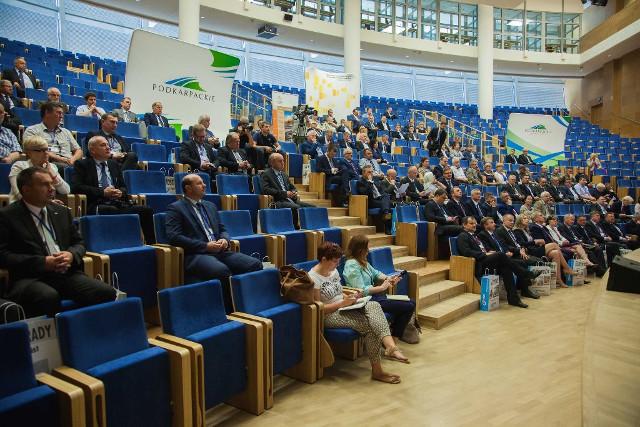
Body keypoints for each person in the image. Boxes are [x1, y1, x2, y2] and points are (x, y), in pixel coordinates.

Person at [0, 167, 116, 317]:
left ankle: (85, 330)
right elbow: (3, 255)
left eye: (51, 184)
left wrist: (71, 255)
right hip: (30, 277)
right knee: (48, 297)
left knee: (106, 292)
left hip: (64, 274)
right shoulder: (7, 216)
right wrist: (43, 262)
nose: (52, 188)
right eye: (44, 184)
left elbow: (79, 243)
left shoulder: (62, 212)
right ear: (26, 189)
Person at [166, 174, 262, 303]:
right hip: (196, 254)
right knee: (221, 271)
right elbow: (174, 237)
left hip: (219, 251)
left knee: (255, 264)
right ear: (188, 188)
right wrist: (205, 246)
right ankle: (229, 309)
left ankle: (248, 303)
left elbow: (222, 229)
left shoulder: (210, 206)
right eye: (199, 183)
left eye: (203, 182)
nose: (204, 185)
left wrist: (224, 240)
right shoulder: (176, 208)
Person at [343, 235, 416, 342]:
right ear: (360, 250)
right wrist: (381, 287)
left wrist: (389, 278)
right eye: (366, 248)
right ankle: (394, 338)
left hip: (373, 297)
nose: (368, 250)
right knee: (409, 306)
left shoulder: (362, 261)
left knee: (412, 302)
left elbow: (376, 273)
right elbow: (361, 290)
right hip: (365, 302)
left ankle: (393, 336)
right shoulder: (351, 265)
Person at [456, 216, 530, 308]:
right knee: (500, 254)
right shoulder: (463, 236)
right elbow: (466, 252)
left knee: (506, 268)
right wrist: (485, 254)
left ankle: (513, 299)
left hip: (485, 260)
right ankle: (524, 273)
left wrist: (489, 252)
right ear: (464, 225)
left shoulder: (474, 235)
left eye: (475, 223)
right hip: (478, 263)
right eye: (471, 223)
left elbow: (483, 247)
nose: (474, 225)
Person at [477, 217, 540, 299]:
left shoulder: (494, 233)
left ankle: (525, 290)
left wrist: (507, 251)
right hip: (495, 259)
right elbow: (488, 249)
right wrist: (504, 254)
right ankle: (527, 275)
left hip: (504, 257)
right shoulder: (482, 235)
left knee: (522, 262)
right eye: (491, 222)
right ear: (485, 225)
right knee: (517, 263)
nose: (494, 224)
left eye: (493, 222)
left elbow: (503, 245)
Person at [512, 214, 574, 287]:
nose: (527, 220)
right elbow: (522, 243)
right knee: (554, 245)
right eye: (524, 218)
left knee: (556, 253)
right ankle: (566, 268)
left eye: (527, 218)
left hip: (535, 249)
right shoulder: (517, 231)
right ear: (519, 220)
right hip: (531, 251)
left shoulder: (526, 230)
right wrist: (535, 241)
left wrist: (537, 242)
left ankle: (558, 279)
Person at [9, 136, 69, 204]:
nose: (46, 153)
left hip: (46, 206)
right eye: (41, 150)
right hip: (21, 206)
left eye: (47, 149)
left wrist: (52, 173)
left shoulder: (52, 167)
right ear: (29, 152)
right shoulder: (19, 166)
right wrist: (48, 202)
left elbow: (66, 191)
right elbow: (19, 194)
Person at [24, 102, 83, 169]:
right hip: (47, 163)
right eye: (59, 113)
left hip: (69, 163)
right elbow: (33, 150)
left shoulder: (66, 132)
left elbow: (79, 151)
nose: (61, 116)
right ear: (47, 113)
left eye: (62, 113)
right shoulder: (32, 130)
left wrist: (72, 159)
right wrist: (62, 159)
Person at [261, 153, 315, 222]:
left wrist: (294, 192)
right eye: (280, 161)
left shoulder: (284, 174)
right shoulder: (266, 174)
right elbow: (265, 190)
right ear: (272, 162)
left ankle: (310, 226)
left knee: (313, 207)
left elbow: (292, 187)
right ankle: (295, 227)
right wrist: (285, 193)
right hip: (278, 201)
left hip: (290, 200)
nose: (282, 163)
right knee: (296, 207)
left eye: (283, 160)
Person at [357, 165, 392, 233]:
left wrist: (383, 194)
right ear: (363, 173)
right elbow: (364, 193)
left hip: (379, 199)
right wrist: (369, 182)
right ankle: (387, 227)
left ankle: (386, 212)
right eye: (369, 172)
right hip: (370, 201)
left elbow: (381, 190)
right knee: (388, 205)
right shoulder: (360, 182)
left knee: (386, 196)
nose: (371, 174)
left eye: (372, 172)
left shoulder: (375, 180)